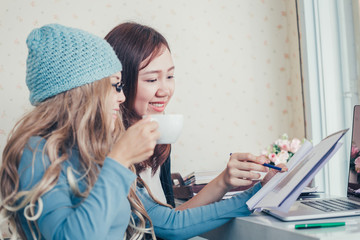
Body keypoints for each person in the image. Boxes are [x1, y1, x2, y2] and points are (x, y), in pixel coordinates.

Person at [105, 22, 286, 239]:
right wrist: (258, 194)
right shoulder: (109, 148)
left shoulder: (158, 139)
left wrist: (225, 180)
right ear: (119, 82)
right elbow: (170, 226)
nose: (165, 90)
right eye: (152, 79)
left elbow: (170, 219)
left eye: (170, 76)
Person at [0, 24, 160, 240]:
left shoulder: (89, 152)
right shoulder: (37, 153)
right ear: (83, 92)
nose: (121, 97)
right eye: (114, 85)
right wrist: (119, 159)